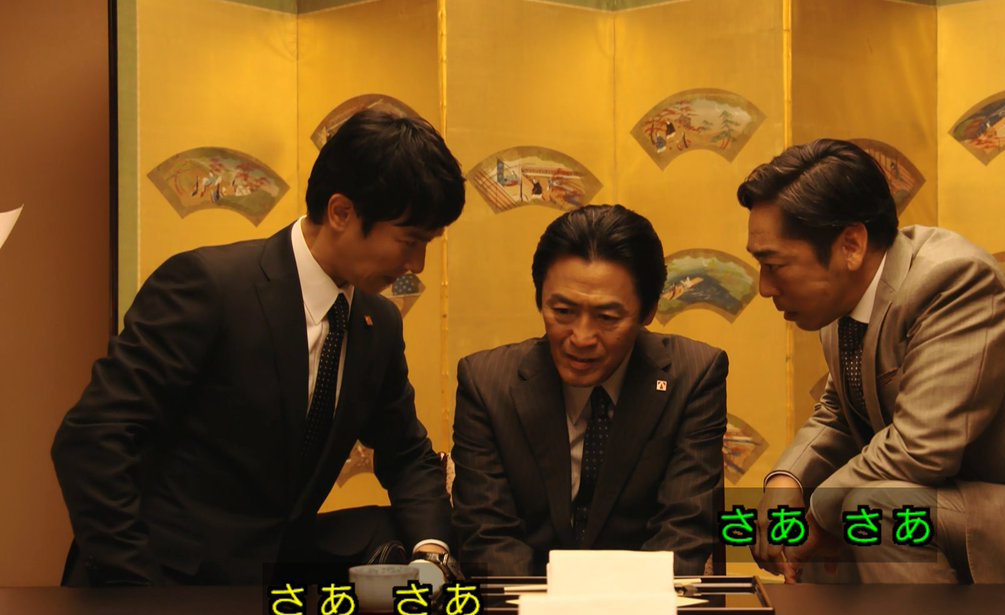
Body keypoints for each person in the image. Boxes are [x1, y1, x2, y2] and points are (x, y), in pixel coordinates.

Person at [52, 110, 465, 585]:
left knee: (392, 534)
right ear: (340, 213)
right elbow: (93, 437)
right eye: (409, 241)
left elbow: (407, 453)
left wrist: (431, 552)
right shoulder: (209, 287)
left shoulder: (378, 323)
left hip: (267, 582)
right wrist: (139, 588)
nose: (418, 263)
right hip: (165, 577)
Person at [740, 139, 1005, 584]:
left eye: (774, 265)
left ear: (851, 245)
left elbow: (919, 449)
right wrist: (786, 484)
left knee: (874, 510)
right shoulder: (845, 302)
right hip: (978, 508)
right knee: (837, 512)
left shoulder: (954, 281)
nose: (764, 288)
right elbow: (838, 415)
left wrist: (815, 518)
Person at [451, 204, 727, 576]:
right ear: (540, 300)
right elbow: (488, 537)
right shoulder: (487, 383)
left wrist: (611, 609)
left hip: (644, 602)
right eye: (563, 312)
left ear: (647, 312)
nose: (581, 338)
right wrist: (550, 608)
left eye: (607, 317)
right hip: (524, 604)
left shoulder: (693, 377)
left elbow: (684, 530)